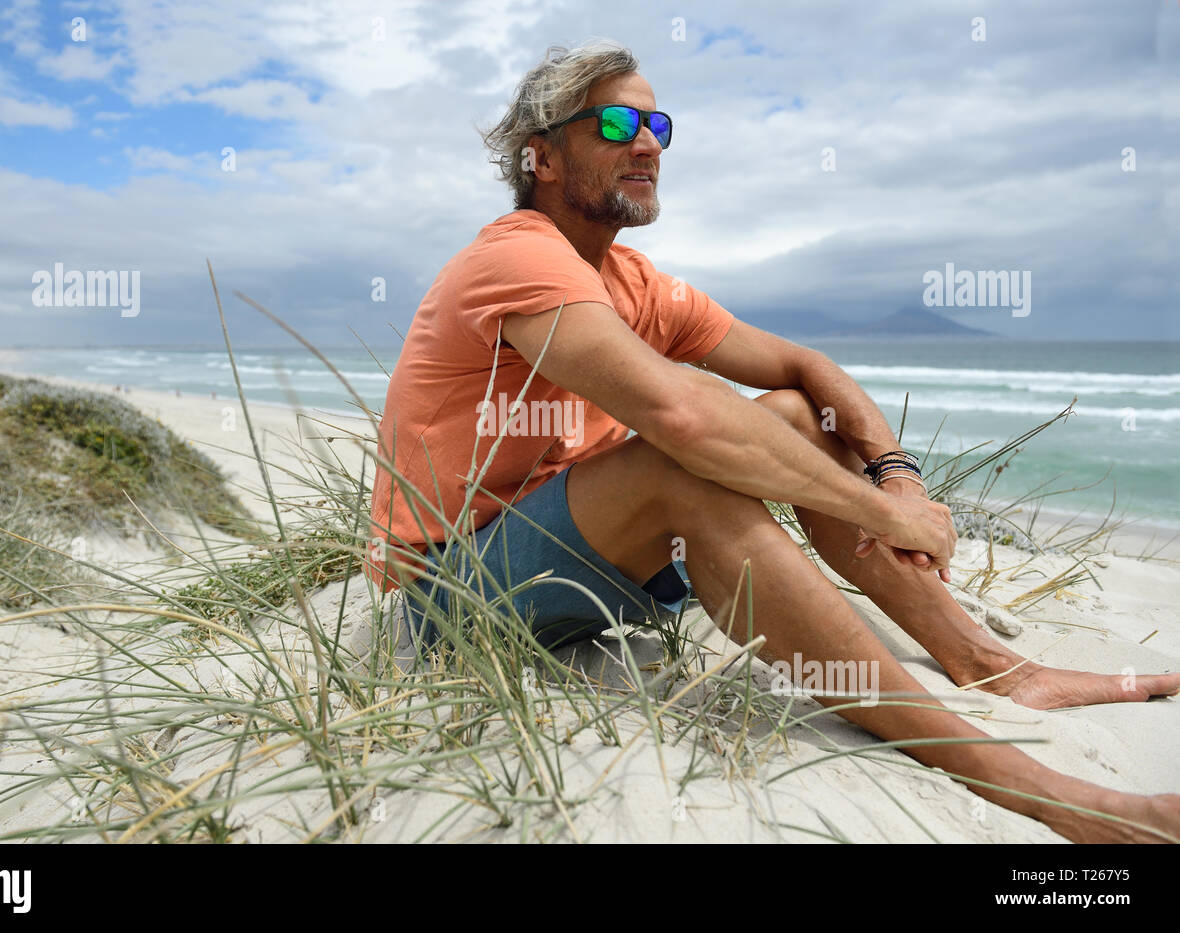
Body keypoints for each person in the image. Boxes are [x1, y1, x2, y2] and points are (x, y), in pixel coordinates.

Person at [366, 40, 1180, 843]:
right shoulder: (517, 257)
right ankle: (1042, 790)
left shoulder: (632, 282)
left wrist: (898, 477)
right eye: (615, 123)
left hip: (580, 566)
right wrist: (886, 518)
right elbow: (681, 417)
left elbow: (803, 365)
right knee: (674, 462)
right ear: (541, 158)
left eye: (656, 124)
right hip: (449, 599)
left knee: (792, 413)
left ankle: (991, 663)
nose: (646, 141)